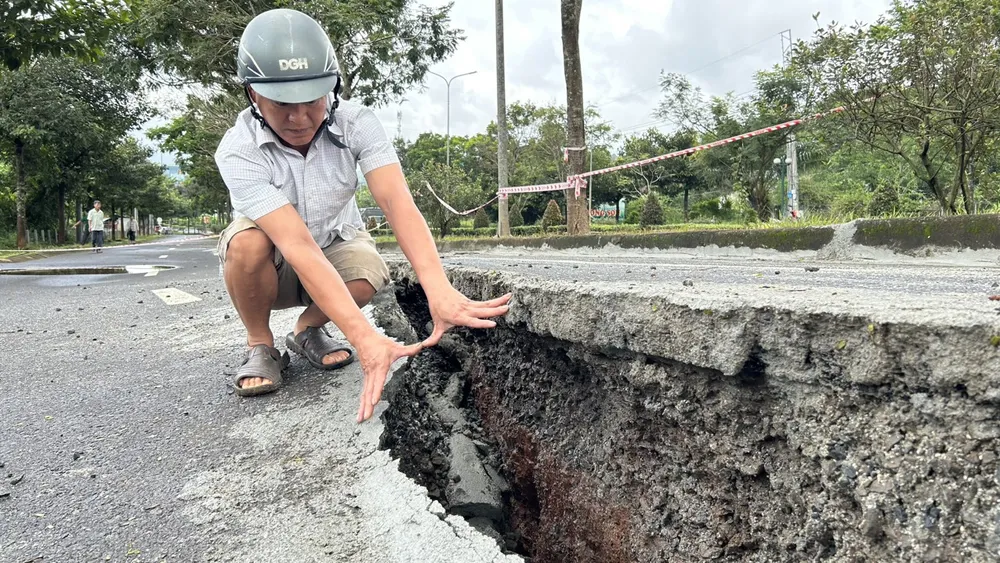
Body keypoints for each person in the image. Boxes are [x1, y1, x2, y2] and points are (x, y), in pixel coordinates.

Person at [215, 8, 511, 422]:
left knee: (367, 272)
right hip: (276, 261)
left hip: (335, 238)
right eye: (282, 103)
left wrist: (438, 289)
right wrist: (365, 338)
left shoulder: (358, 123)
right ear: (252, 94)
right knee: (248, 242)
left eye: (312, 101)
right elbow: (296, 244)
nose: (299, 118)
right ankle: (261, 344)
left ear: (332, 88)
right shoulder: (238, 149)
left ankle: (307, 331)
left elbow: (397, 204)